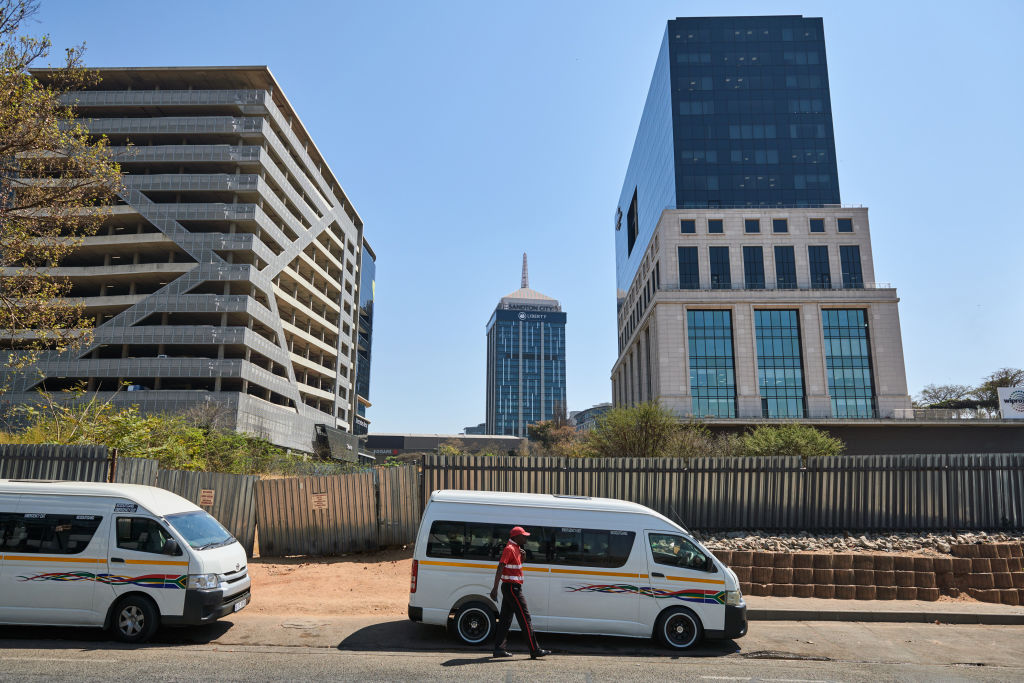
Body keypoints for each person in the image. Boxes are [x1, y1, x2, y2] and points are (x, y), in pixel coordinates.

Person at [489, 526, 550, 659]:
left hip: (511, 587)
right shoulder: (509, 549)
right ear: (516, 537)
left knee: (505, 619)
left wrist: (523, 557)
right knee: (525, 618)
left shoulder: (517, 549)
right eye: (523, 536)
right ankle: (535, 649)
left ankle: (499, 649)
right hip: (512, 588)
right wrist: (494, 588)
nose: (526, 537)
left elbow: (514, 568)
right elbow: (500, 567)